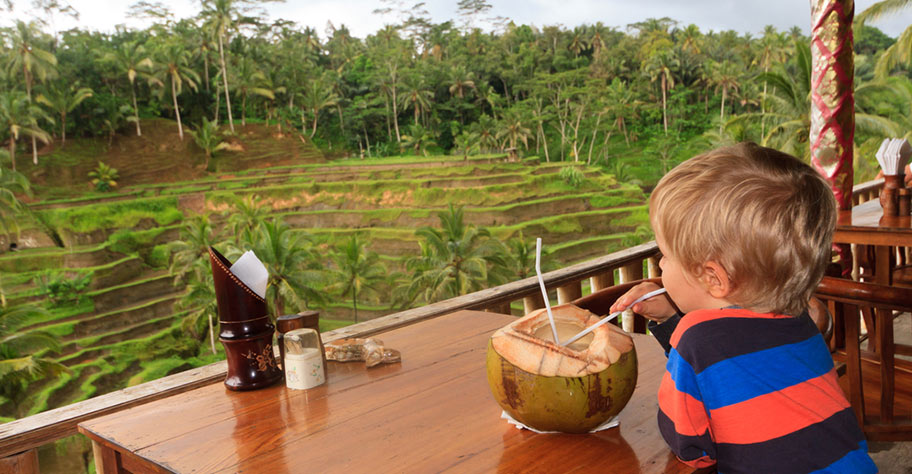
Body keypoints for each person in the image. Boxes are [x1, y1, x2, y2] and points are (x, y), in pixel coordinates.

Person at [610, 142, 877, 473]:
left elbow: (690, 445)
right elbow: (731, 364)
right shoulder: (798, 318)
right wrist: (671, 319)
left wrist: (680, 328)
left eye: (665, 254)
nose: (660, 264)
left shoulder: (696, 336)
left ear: (713, 277)